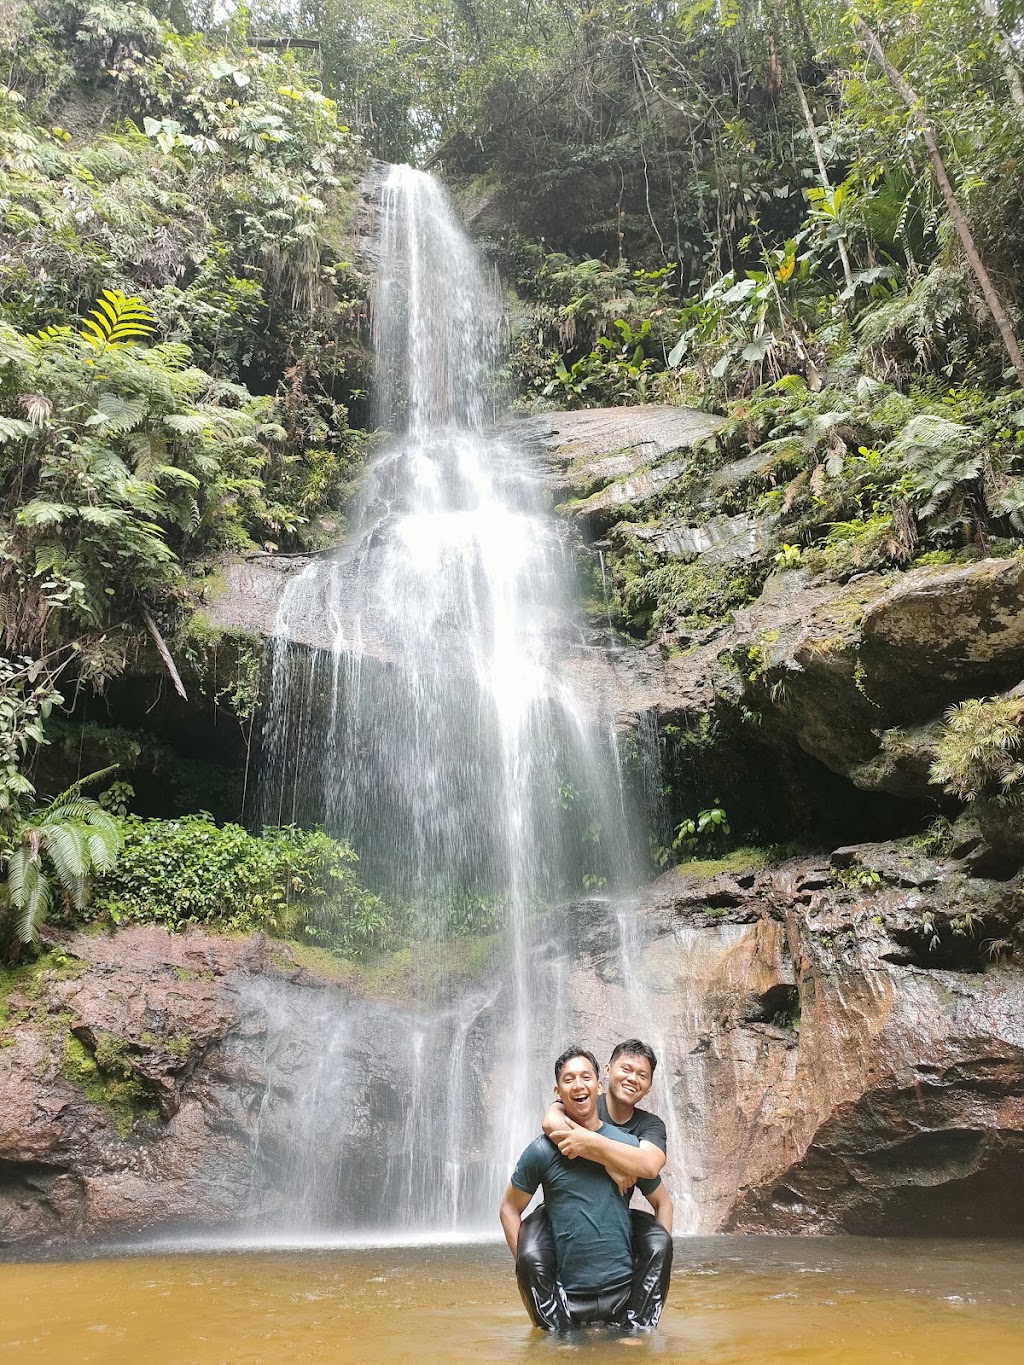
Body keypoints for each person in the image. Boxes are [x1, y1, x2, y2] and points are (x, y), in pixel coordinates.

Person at [498, 1045, 669, 1332]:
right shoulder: (545, 1145)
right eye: (569, 1079)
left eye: (642, 1074)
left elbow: (654, 1178)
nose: (579, 1085)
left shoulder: (636, 1140)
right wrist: (531, 1275)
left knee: (659, 1241)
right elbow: (509, 1208)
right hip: (564, 1286)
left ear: (598, 1083)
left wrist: (652, 1277)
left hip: (621, 1275)